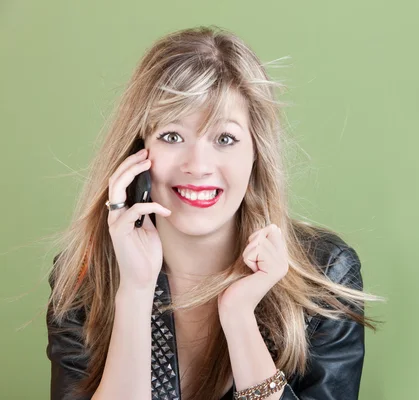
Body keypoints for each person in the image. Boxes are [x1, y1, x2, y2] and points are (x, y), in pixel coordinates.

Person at [45, 25, 383, 400]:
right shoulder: (84, 278)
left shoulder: (325, 272)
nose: (199, 165)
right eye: (172, 136)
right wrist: (135, 293)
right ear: (137, 151)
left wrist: (239, 319)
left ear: (256, 154)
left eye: (225, 139)